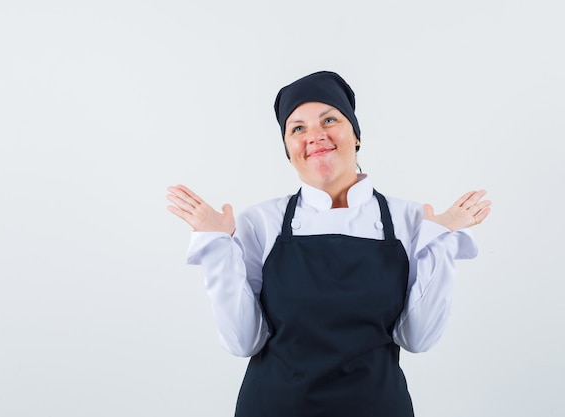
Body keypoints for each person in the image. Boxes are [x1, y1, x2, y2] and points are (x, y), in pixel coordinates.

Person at [167, 71, 491, 417]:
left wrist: (439, 242)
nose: (315, 136)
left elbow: (419, 338)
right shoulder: (261, 222)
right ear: (289, 150)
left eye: (329, 120)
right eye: (298, 128)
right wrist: (217, 245)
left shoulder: (412, 221)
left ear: (356, 136)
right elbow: (243, 341)